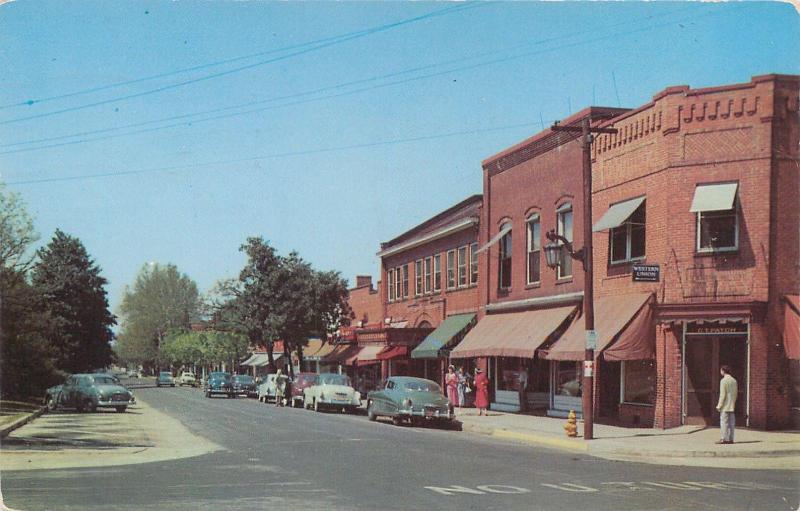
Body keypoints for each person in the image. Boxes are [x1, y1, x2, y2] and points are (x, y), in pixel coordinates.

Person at [716, 365, 738, 444]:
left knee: (724, 423)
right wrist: (733, 402)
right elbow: (735, 394)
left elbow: (723, 395)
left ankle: (724, 438)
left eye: (721, 370)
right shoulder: (734, 380)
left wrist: (719, 405)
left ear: (723, 371)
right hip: (732, 405)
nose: (720, 372)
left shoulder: (723, 381)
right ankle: (731, 438)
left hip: (725, 406)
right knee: (731, 423)